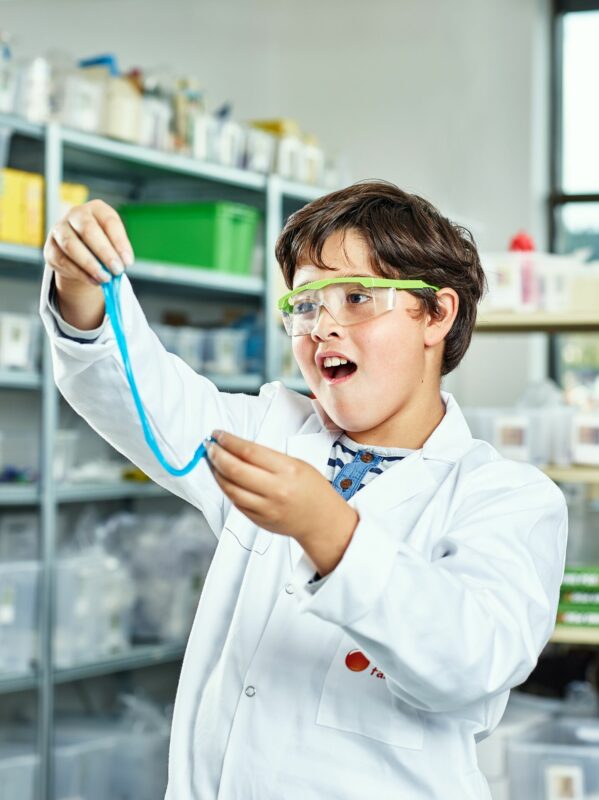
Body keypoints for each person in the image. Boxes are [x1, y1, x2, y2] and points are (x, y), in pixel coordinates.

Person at [40, 181, 568, 800]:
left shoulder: (505, 497)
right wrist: (82, 284)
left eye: (356, 297)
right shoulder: (272, 430)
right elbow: (140, 395)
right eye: (306, 304)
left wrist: (330, 532)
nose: (323, 327)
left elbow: (470, 662)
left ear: (437, 314)